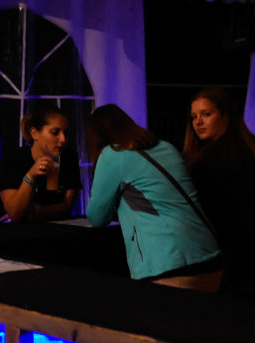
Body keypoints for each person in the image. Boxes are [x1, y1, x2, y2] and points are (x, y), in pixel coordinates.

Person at [86, 104, 222, 293]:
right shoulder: (167, 147)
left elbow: (97, 217)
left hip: (167, 263)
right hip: (210, 259)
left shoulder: (113, 154)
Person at [183, 87, 255, 301]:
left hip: (232, 260)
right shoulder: (253, 148)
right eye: (194, 117)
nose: (198, 122)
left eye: (206, 114)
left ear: (225, 115)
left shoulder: (213, 159)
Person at [0, 104, 81, 223]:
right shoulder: (12, 160)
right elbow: (15, 213)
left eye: (65, 133)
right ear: (34, 133)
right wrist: (30, 176)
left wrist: (38, 212)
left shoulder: (68, 156)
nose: (63, 139)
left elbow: (67, 205)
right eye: (55, 132)